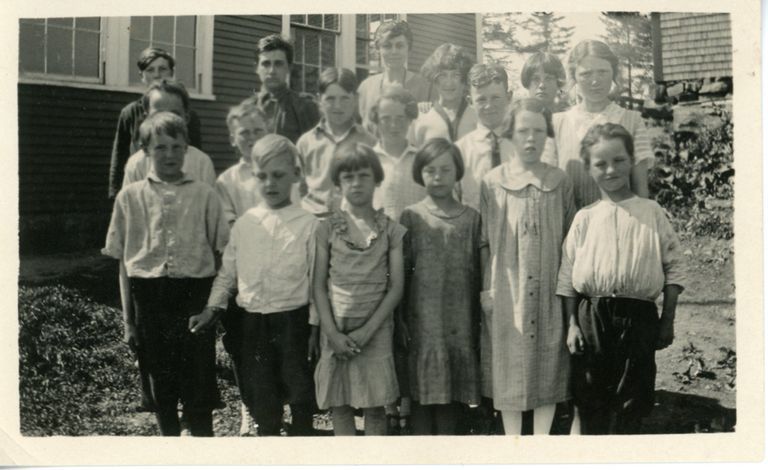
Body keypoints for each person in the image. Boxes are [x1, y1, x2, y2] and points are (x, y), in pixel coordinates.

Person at [102, 112, 229, 436]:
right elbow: (123, 264)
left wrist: (212, 307)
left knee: (198, 384)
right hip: (150, 300)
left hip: (194, 296)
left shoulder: (205, 196)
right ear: (145, 151)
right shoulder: (129, 198)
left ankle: (204, 450)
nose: (169, 155)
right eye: (160, 147)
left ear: (187, 149)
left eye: (176, 146)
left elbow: (223, 254)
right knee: (161, 387)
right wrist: (129, 322)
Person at [556, 122, 684, 435]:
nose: (611, 170)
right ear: (588, 168)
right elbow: (567, 276)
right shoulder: (585, 218)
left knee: (634, 396)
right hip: (592, 315)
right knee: (591, 394)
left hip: (639, 316)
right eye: (600, 163)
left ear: (630, 160)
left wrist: (666, 321)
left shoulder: (651, 211)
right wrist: (572, 325)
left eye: (619, 160)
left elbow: (674, 269)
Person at [195, 134, 319, 437]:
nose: (270, 184)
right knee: (264, 398)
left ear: (296, 175)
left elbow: (317, 282)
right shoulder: (246, 224)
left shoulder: (309, 224)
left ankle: (305, 448)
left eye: (278, 175)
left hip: (294, 323)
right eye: (261, 176)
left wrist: (316, 328)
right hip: (254, 325)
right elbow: (228, 273)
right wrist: (213, 307)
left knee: (301, 395)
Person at [480, 98, 576, 435]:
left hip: (550, 286)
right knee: (510, 359)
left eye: (538, 130)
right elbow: (485, 242)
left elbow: (569, 242)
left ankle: (541, 443)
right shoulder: (493, 181)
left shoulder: (559, 181)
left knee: (548, 360)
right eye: (523, 130)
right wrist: (486, 290)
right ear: (510, 133)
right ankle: (512, 445)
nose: (531, 138)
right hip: (508, 287)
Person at [313, 143, 405, 436]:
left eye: (364, 175)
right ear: (338, 183)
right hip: (337, 329)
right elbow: (317, 286)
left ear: (377, 179)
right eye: (348, 177)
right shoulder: (326, 228)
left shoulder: (390, 229)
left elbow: (397, 287)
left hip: (375, 330)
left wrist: (367, 332)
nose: (356, 183)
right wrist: (332, 334)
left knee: (374, 406)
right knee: (339, 405)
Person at [399, 138, 481, 435]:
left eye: (446, 169)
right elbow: (401, 276)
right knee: (422, 400)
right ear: (420, 173)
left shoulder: (472, 219)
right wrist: (400, 320)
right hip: (423, 324)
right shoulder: (411, 217)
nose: (438, 177)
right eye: (430, 170)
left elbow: (478, 276)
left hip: (459, 323)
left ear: (457, 171)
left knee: (450, 403)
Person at [213, 100, 269, 436]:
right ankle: (249, 405)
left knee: (278, 344)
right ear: (234, 139)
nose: (250, 138)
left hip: (284, 276)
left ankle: (274, 404)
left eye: (257, 131)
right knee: (243, 344)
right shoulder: (228, 181)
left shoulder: (286, 171)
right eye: (243, 133)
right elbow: (230, 233)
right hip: (244, 276)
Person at [552, 40, 652, 208]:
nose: (595, 81)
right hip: (570, 229)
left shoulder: (633, 121)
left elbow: (641, 192)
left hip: (620, 226)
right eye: (586, 74)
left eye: (602, 72)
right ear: (574, 76)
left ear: (613, 73)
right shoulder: (557, 124)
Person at [108, 47, 202, 198]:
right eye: (150, 70)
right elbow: (119, 156)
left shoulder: (187, 115)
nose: (157, 74)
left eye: (163, 69)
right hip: (139, 182)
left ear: (171, 73)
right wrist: (116, 194)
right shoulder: (130, 113)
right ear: (142, 76)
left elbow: (195, 157)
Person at [297, 68, 376, 215]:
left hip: (354, 221)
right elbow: (297, 187)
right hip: (313, 220)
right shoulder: (306, 142)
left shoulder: (368, 141)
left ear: (355, 99)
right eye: (330, 99)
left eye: (345, 98)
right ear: (319, 100)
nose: (338, 106)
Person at [122, 79, 216, 188]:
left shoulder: (201, 163)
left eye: (174, 114)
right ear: (146, 118)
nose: (166, 120)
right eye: (159, 113)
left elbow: (209, 203)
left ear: (186, 118)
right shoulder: (137, 164)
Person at [456, 63, 513, 212]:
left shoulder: (522, 145)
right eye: (481, 100)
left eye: (496, 98)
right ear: (470, 102)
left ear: (508, 97)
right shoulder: (460, 151)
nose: (489, 106)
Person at [357, 19, 430, 133]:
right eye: (387, 46)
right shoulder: (366, 88)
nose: (394, 51)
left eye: (400, 46)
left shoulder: (425, 87)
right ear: (378, 49)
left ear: (408, 49)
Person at [369, 85, 425, 220]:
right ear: (376, 121)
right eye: (386, 119)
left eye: (400, 118)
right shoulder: (365, 162)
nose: (394, 125)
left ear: (410, 120)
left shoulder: (423, 162)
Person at [253, 34, 320, 143]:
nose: (272, 71)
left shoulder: (305, 106)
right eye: (266, 64)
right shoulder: (249, 108)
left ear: (289, 68)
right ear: (256, 68)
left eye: (278, 64)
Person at [410, 43, 477, 147]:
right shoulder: (421, 117)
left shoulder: (477, 117)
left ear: (464, 78)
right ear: (434, 78)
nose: (449, 83)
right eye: (443, 75)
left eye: (456, 75)